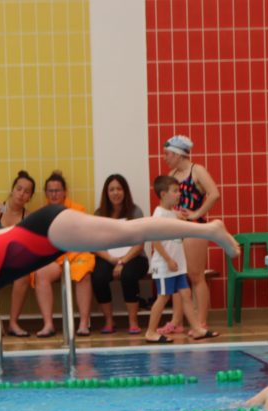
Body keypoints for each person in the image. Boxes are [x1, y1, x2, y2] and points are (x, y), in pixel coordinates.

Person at [0, 196, 239, 383]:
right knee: (126, 233)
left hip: (50, 229)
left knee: (127, 233)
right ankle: (207, 231)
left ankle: (209, 230)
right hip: (50, 237)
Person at [143, 176, 216, 344]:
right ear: (163, 194)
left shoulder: (171, 213)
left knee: (186, 294)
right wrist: (168, 260)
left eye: (179, 191)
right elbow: (155, 241)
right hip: (164, 265)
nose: (179, 194)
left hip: (177, 265)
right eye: (175, 191)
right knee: (163, 297)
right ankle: (151, 331)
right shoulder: (159, 214)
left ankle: (197, 328)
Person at [162, 135, 220, 332]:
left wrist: (196, 213)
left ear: (178, 154)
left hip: (194, 228)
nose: (165, 158)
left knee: (196, 276)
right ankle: (177, 321)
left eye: (167, 154)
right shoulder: (172, 174)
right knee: (178, 275)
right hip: (176, 230)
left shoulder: (197, 170)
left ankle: (201, 321)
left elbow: (214, 194)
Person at [33, 171, 98, 338]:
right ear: (46, 193)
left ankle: (84, 323)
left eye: (57, 190)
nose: (54, 194)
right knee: (40, 273)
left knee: (83, 272)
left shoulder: (78, 210)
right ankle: (48, 324)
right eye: (50, 191)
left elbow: (84, 236)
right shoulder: (41, 213)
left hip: (75, 254)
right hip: (53, 257)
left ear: (64, 192)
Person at [89, 173, 148, 335]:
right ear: (106, 193)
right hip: (109, 258)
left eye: (119, 189)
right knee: (98, 276)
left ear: (125, 191)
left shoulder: (135, 211)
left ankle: (133, 321)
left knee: (128, 275)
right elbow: (95, 244)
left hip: (134, 257)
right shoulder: (100, 213)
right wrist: (111, 259)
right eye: (111, 189)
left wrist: (122, 262)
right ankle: (109, 321)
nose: (115, 193)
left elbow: (139, 244)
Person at [0, 170, 36, 337]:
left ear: (29, 197)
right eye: (19, 189)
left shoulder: (28, 217)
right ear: (12, 189)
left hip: (15, 262)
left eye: (26, 191)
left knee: (23, 276)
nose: (21, 194)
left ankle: (13, 323)